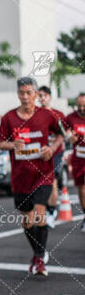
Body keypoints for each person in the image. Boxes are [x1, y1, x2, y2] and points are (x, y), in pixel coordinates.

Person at [0, 77, 64, 277]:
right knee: (27, 220)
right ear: (17, 94)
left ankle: (40, 258)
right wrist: (12, 144)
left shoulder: (46, 115)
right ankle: (36, 253)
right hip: (21, 177)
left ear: (36, 94)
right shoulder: (9, 118)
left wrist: (51, 148)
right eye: (21, 93)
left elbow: (61, 135)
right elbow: (0, 142)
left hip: (43, 173)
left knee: (40, 212)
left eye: (28, 92)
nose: (25, 97)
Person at [37, 85, 66, 228]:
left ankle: (51, 211)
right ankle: (45, 210)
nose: (42, 98)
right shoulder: (34, 114)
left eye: (44, 95)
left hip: (55, 152)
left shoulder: (58, 114)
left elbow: (64, 133)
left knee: (52, 181)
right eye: (40, 96)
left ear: (50, 97)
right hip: (40, 154)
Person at [65, 93, 85, 232]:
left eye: (84, 106)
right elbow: (65, 133)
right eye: (79, 106)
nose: (81, 108)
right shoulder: (71, 118)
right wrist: (69, 137)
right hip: (79, 159)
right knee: (82, 189)